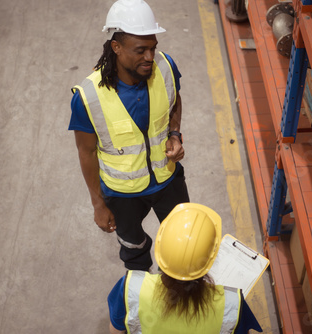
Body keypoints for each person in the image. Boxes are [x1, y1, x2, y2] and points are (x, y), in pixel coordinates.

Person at [69, 0, 189, 271]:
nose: (150, 57)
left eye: (153, 48)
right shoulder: (88, 97)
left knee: (184, 243)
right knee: (133, 248)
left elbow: (174, 100)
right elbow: (86, 153)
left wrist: (174, 133)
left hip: (167, 181)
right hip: (122, 195)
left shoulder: (165, 67)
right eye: (140, 50)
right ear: (116, 48)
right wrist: (98, 204)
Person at [107, 203, 263, 334]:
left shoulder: (130, 288)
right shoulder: (231, 305)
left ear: (161, 247)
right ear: (212, 257)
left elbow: (116, 331)